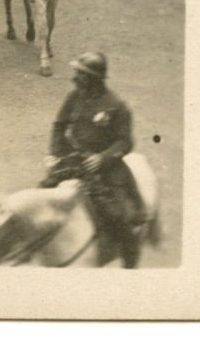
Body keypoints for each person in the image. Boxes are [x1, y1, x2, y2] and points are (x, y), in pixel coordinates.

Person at [44, 51, 143, 268]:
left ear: (94, 78)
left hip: (104, 169)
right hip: (72, 161)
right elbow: (59, 126)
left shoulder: (116, 105)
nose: (74, 78)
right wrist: (55, 153)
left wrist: (103, 158)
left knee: (119, 218)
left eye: (80, 74)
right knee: (42, 196)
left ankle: (130, 265)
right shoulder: (74, 96)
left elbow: (125, 142)